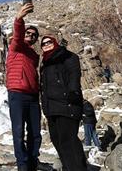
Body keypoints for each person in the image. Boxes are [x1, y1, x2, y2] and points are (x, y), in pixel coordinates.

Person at [40, 36, 87, 171]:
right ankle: (69, 167)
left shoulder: (66, 56)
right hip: (52, 108)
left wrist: (73, 92)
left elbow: (74, 73)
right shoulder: (45, 62)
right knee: (58, 141)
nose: (46, 45)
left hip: (67, 104)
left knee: (68, 141)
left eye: (49, 42)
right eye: (43, 44)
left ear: (55, 43)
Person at [6, 2, 42, 171]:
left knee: (35, 133)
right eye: (29, 32)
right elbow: (18, 35)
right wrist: (19, 19)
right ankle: (22, 165)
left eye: (34, 35)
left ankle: (33, 162)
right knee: (19, 131)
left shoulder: (34, 55)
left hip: (33, 97)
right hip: (17, 94)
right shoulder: (16, 46)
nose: (31, 36)